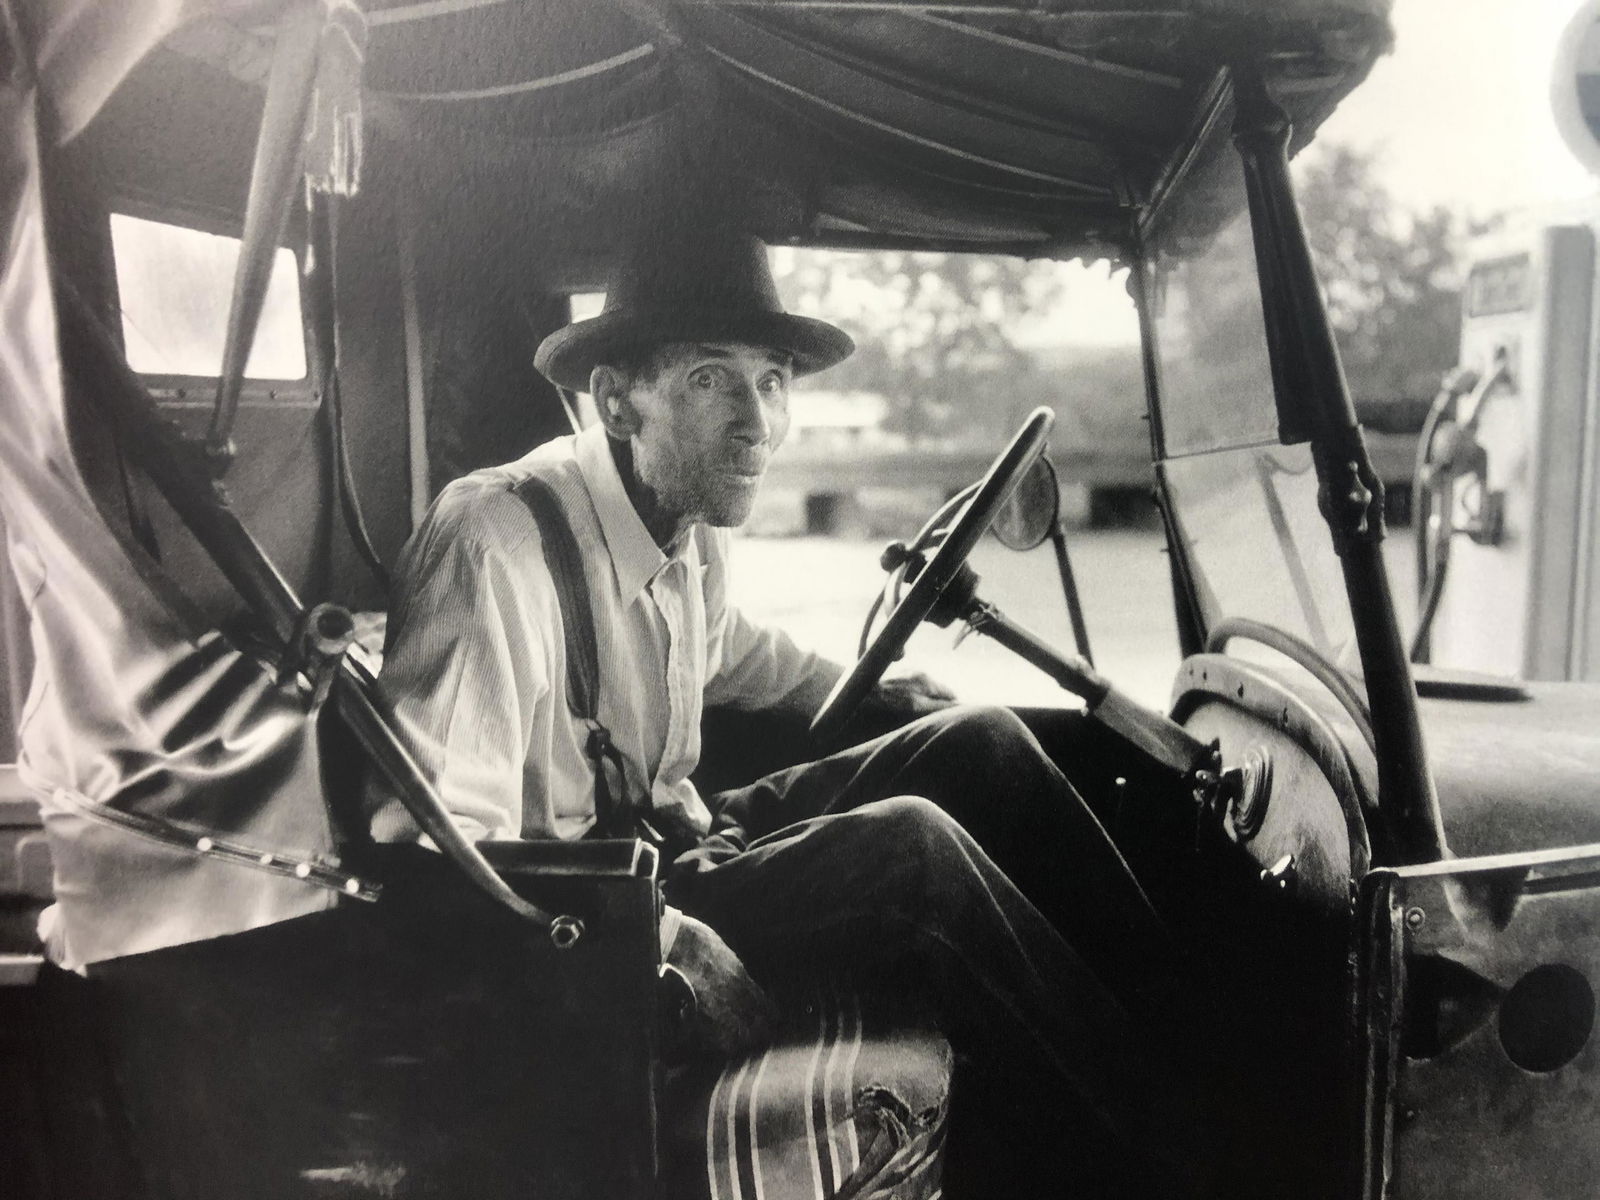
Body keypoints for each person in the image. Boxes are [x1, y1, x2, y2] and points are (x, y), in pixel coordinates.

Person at [370, 226, 1209, 1197]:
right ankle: (1179, 1142)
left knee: (982, 742)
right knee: (916, 852)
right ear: (616, 399)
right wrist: (665, 947)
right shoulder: (493, 545)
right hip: (607, 922)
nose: (757, 424)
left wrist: (885, 694)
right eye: (709, 381)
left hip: (692, 838)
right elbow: (430, 856)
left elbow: (733, 654)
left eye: (770, 382)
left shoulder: (683, 521)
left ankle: (1191, 1019)